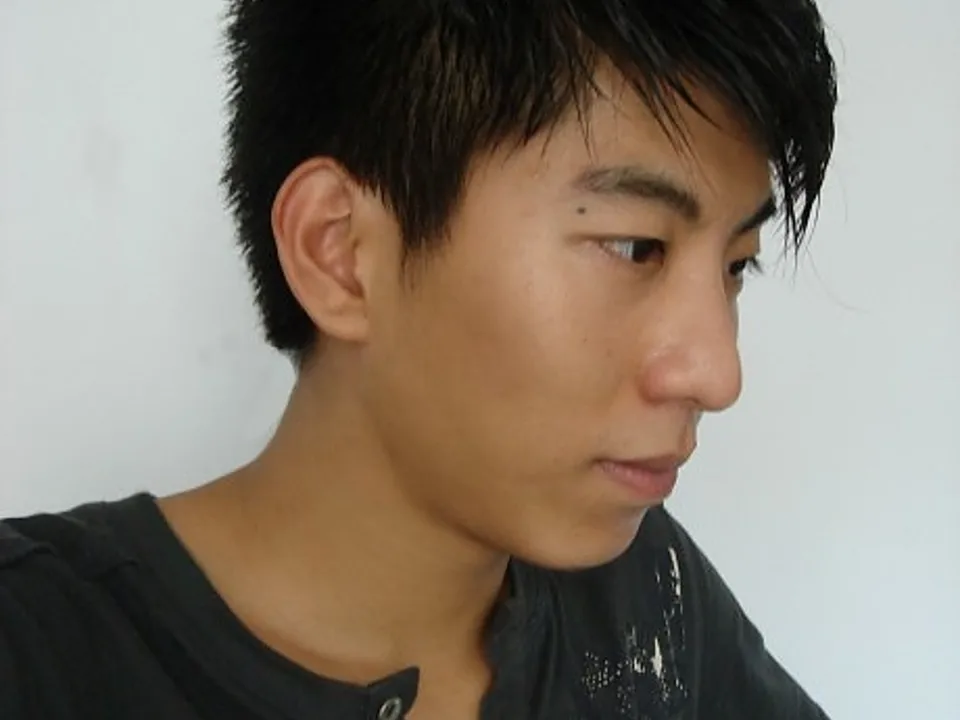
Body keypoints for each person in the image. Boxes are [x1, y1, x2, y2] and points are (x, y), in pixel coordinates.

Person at [0, 0, 839, 717]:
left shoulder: (649, 598)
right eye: (635, 246)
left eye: (736, 265)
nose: (717, 374)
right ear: (340, 253)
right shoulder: (40, 656)